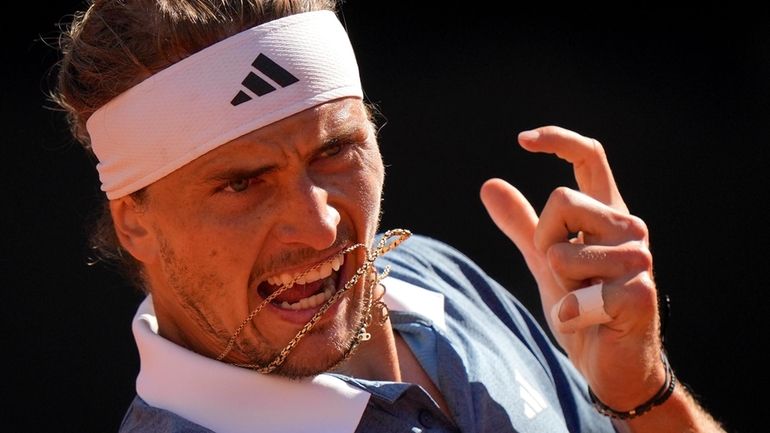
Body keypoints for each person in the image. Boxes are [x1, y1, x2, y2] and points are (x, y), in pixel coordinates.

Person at [50, 1, 726, 432]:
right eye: (243, 184)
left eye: (336, 150)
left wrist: (641, 395)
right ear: (134, 221)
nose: (318, 227)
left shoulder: (436, 277)